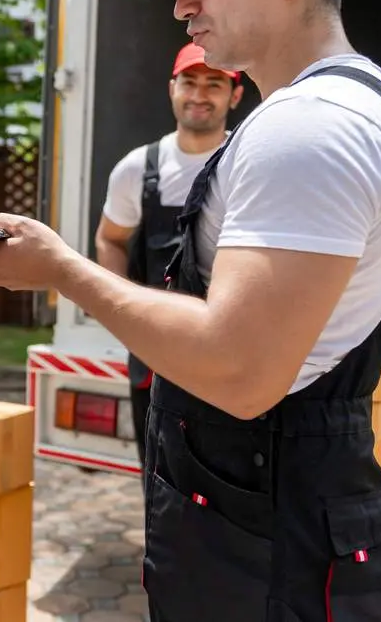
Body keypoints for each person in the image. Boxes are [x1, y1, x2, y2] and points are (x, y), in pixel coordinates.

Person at [0, 0, 381, 622]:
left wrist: (61, 269)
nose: (182, 5)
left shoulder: (310, 129)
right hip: (267, 524)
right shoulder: (342, 107)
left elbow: (240, 368)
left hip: (274, 552)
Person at [94, 41, 241, 468]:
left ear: (234, 96)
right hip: (155, 360)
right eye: (189, 82)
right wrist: (124, 312)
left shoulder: (247, 162)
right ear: (172, 88)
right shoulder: (137, 170)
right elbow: (110, 240)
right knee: (158, 478)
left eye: (214, 84)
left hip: (228, 356)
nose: (199, 94)